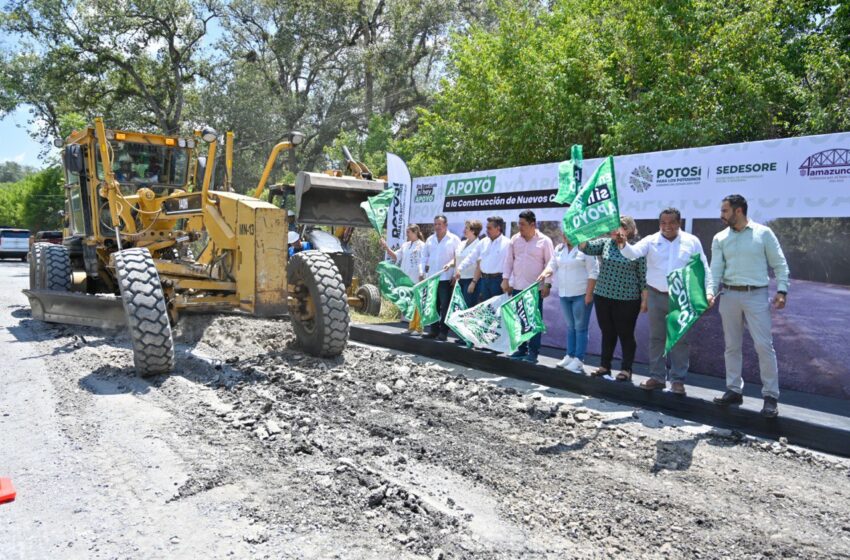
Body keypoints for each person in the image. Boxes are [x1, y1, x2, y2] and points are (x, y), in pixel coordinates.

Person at [709, 194, 789, 418]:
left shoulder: (763, 233)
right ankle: (734, 390)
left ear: (738, 211)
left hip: (756, 295)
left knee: (764, 346)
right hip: (729, 295)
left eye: (725, 211)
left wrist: (782, 290)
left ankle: (770, 397)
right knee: (731, 346)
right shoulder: (720, 238)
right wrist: (710, 292)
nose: (721, 215)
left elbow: (780, 264)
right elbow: (715, 270)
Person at [616, 208, 712, 395]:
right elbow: (633, 253)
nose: (667, 227)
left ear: (679, 223)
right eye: (663, 223)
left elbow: (704, 268)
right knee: (657, 338)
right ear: (659, 224)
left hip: (680, 297)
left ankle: (677, 380)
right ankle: (658, 377)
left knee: (679, 339)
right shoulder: (652, 240)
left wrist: (708, 292)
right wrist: (623, 244)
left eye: (671, 223)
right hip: (655, 294)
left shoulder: (691, 242)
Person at [580, 216, 647, 381]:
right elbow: (585, 247)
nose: (615, 230)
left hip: (628, 300)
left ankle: (626, 369)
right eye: (613, 226)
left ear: (629, 230)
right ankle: (604, 366)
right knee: (607, 332)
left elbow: (643, 277)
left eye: (620, 227)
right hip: (603, 296)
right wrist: (583, 232)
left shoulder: (638, 248)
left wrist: (645, 300)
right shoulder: (605, 243)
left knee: (626, 334)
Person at [537, 231, 598, 373]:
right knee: (571, 326)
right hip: (564, 294)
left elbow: (594, 272)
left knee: (580, 327)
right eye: (564, 233)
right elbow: (552, 265)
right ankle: (570, 356)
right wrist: (545, 272)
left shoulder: (585, 248)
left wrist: (589, 294)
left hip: (581, 294)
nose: (564, 236)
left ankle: (579, 360)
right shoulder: (559, 248)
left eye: (568, 233)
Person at [501, 210, 554, 363]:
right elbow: (508, 261)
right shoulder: (515, 240)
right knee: (519, 320)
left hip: (535, 289)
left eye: (523, 224)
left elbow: (550, 264)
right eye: (519, 224)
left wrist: (548, 285)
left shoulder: (545, 241)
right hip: (518, 286)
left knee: (533, 322)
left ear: (533, 224)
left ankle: (533, 353)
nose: (520, 227)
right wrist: (505, 279)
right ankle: (521, 349)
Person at [419, 215, 461, 341]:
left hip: (446, 278)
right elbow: (423, 257)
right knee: (433, 305)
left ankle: (443, 332)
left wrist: (455, 274)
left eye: (439, 224)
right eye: (435, 224)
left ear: (446, 225)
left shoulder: (454, 239)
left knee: (445, 306)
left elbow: (457, 258)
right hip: (431, 278)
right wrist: (421, 272)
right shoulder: (430, 240)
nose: (437, 227)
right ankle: (433, 330)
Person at [381, 225, 425, 333]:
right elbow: (395, 256)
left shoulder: (422, 245)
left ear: (415, 232)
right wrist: (386, 247)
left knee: (417, 303)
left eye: (409, 232)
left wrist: (422, 274)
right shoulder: (405, 245)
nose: (407, 234)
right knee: (410, 303)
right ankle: (411, 327)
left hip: (417, 278)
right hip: (406, 278)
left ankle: (419, 328)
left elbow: (423, 261)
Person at [458, 216, 510, 303]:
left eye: (489, 228)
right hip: (484, 281)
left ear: (498, 228)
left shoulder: (507, 243)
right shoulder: (483, 242)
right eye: (486, 228)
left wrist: (507, 281)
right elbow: (471, 257)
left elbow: (510, 264)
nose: (486, 230)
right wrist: (460, 268)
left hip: (498, 281)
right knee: (486, 310)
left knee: (497, 310)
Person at [448, 219, 483, 307]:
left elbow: (479, 266)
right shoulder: (461, 243)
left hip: (470, 281)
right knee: (458, 308)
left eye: (466, 228)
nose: (464, 230)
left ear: (473, 230)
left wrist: (474, 282)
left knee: (467, 308)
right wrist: (449, 265)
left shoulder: (479, 245)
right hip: (459, 280)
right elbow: (456, 260)